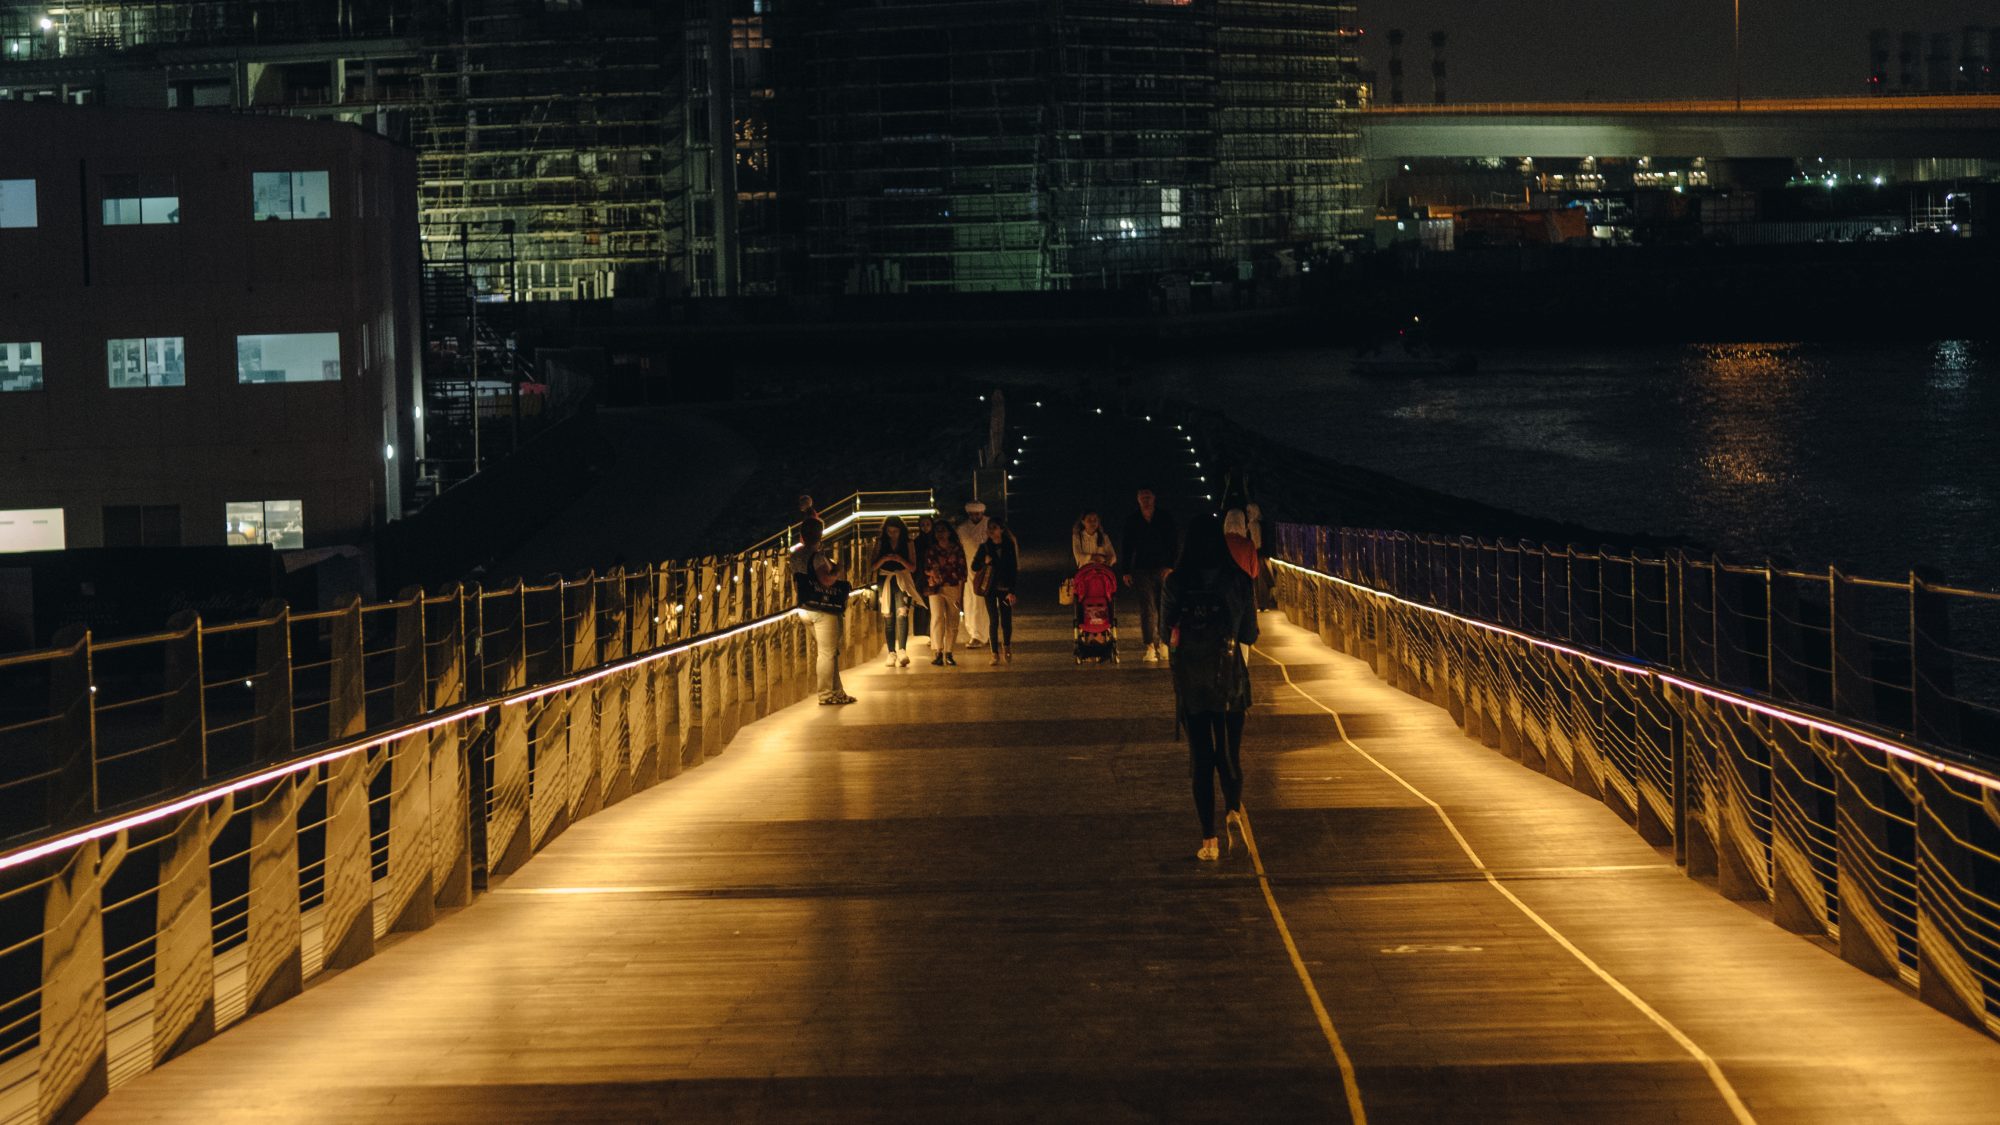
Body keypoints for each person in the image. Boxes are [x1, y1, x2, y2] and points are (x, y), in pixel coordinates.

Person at [1164, 514, 1259, 861]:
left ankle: (1208, 841)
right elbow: (1250, 634)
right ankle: (1233, 810)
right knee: (1230, 753)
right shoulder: (1238, 579)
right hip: (1231, 678)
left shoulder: (1176, 582)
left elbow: (1165, 635)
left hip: (1192, 682)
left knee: (1201, 759)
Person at [1119, 488, 1179, 662]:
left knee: (1163, 606)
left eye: (1148, 497)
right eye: (1142, 497)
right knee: (1147, 608)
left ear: (1154, 498)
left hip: (1162, 568)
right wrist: (1126, 571)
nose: (1145, 500)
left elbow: (1173, 542)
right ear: (1138, 500)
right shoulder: (1132, 520)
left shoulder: (1164, 517)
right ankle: (1150, 646)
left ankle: (1164, 642)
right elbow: (1127, 546)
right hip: (1141, 569)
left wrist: (1170, 566)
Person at [800, 543, 856, 706]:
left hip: (804, 607)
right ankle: (825, 695)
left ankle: (838, 692)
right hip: (822, 609)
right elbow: (827, 580)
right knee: (827, 653)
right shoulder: (817, 556)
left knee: (830, 653)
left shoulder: (796, 555)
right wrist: (837, 570)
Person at [972, 518, 1021, 664]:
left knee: (1006, 620)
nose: (991, 531)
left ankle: (1006, 646)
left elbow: (1013, 569)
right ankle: (994, 653)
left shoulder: (1008, 545)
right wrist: (983, 562)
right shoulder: (984, 547)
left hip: (1005, 588)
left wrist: (1012, 590)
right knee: (993, 620)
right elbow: (974, 566)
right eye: (989, 528)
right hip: (990, 588)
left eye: (994, 527)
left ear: (1001, 530)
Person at [873, 515, 919, 668]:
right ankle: (891, 652)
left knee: (902, 614)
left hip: (902, 578)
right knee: (888, 616)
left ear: (901, 531)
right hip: (885, 579)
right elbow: (873, 566)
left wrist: (900, 560)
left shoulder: (908, 543)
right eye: (889, 531)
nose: (892, 534)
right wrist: (885, 559)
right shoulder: (880, 543)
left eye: (895, 531)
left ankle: (902, 650)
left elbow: (913, 567)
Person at [919, 518, 966, 666]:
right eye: (937, 531)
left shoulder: (957, 549)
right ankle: (938, 651)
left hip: (952, 587)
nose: (940, 534)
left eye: (942, 531)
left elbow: (962, 573)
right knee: (937, 618)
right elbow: (925, 568)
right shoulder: (932, 550)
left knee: (952, 620)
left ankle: (949, 652)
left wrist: (961, 594)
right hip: (935, 588)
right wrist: (932, 573)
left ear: (949, 532)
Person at [956, 501, 993, 648]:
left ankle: (987, 634)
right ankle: (974, 634)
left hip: (988, 570)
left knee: (985, 603)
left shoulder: (990, 525)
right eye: (972, 514)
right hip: (969, 570)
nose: (975, 516)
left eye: (977, 514)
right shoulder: (962, 529)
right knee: (971, 602)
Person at [1223, 509, 1260, 580]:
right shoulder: (1249, 544)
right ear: (1242, 523)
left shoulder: (1220, 542)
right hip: (1243, 585)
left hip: (1225, 585)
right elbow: (1254, 572)